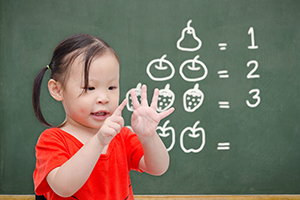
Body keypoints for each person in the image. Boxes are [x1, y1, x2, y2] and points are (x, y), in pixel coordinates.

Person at [32, 33, 174, 200]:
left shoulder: (121, 136)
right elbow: (63, 187)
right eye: (90, 88)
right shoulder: (52, 140)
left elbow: (158, 167)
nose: (104, 98)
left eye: (112, 87)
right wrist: (98, 141)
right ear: (57, 90)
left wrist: (148, 137)